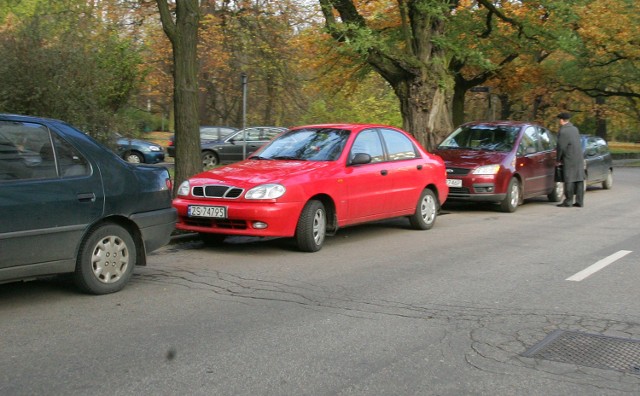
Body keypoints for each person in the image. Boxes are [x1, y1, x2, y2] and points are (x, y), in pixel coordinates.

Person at [556, 112, 584, 207]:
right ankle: (580, 201)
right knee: (579, 179)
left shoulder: (563, 131)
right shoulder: (575, 129)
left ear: (561, 120)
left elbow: (561, 147)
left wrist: (558, 159)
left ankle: (568, 201)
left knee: (569, 179)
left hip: (569, 158)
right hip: (579, 157)